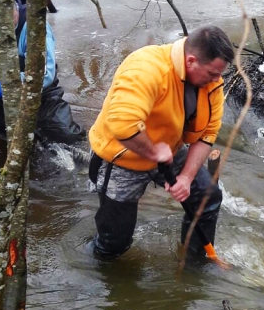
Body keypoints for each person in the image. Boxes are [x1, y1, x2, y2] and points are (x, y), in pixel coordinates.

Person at [87, 25, 235, 260]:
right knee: (114, 244)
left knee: (207, 198)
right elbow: (123, 126)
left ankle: (195, 266)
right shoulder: (146, 68)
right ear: (191, 61)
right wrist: (154, 151)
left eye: (219, 74)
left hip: (170, 148)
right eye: (212, 73)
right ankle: (95, 275)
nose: (217, 81)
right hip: (123, 156)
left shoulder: (210, 82)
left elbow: (207, 134)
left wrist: (186, 178)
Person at [0, 0, 85, 144]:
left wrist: (7, 86)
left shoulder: (36, 28)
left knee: (68, 137)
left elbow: (44, 75)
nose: (3, 29)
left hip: (40, 92)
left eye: (10, 21)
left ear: (16, 10)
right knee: (3, 137)